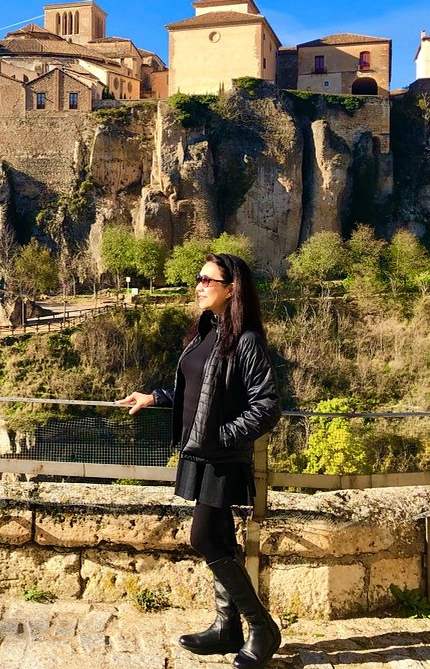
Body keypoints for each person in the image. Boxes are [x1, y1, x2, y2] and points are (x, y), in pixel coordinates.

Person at [117, 253, 282, 668]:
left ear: (232, 288)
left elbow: (267, 406)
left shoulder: (245, 339)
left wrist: (222, 436)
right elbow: (198, 388)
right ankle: (227, 629)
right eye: (198, 279)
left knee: (204, 539)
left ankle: (262, 628)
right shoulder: (206, 331)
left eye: (208, 280)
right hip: (198, 452)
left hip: (222, 458)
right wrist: (156, 397)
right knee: (222, 540)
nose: (199, 285)